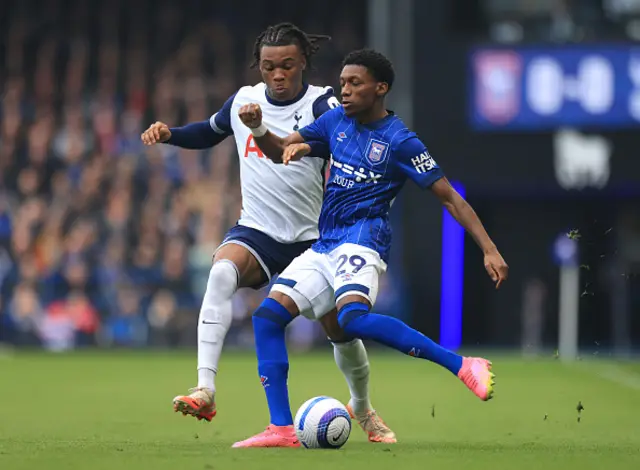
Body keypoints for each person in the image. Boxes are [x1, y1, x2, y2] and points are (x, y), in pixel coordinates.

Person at [233, 48, 508, 448]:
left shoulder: (401, 141)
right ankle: (281, 428)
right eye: (342, 82)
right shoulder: (334, 122)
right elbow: (280, 150)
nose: (344, 90)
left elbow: (450, 198)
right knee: (268, 317)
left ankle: (463, 364)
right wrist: (261, 131)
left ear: (381, 89)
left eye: (354, 83)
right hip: (325, 242)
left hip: (362, 240)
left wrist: (489, 249)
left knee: (354, 320)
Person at [141, 25, 396, 445]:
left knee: (339, 331)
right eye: (268, 67)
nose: (277, 75)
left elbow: (349, 142)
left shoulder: (323, 103)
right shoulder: (244, 99)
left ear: (302, 65)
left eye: (287, 66)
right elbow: (211, 130)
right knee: (221, 274)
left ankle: (363, 408)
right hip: (258, 230)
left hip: (315, 238)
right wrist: (172, 134)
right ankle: (205, 388)